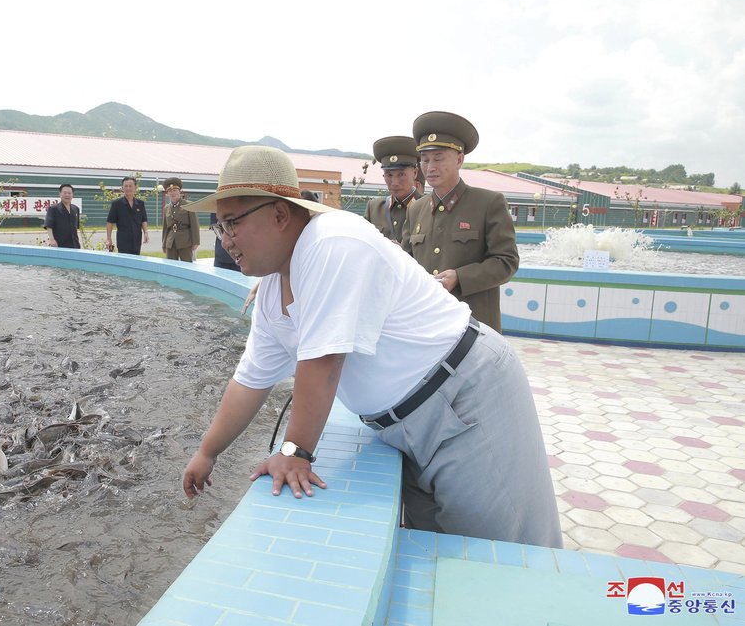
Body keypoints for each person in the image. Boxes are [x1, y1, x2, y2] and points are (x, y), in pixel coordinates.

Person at [181, 145, 560, 548]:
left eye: (232, 223)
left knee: (503, 554)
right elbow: (250, 381)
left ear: (279, 214)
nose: (225, 240)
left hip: (466, 396)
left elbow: (324, 363)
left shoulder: (332, 242)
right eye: (219, 226)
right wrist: (207, 453)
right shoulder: (274, 289)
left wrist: (294, 453)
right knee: (436, 557)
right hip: (404, 423)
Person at [402, 112, 519, 332]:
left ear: (459, 159)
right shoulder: (417, 208)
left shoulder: (488, 202)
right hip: (427, 324)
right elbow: (408, 263)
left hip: (473, 327)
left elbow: (507, 262)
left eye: (438, 158)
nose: (430, 167)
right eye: (425, 160)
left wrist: (460, 277)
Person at [365, 136, 423, 243]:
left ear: (415, 173)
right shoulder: (374, 208)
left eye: (401, 174)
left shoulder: (428, 208)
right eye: (389, 175)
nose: (395, 183)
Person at [105, 176, 149, 254]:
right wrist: (109, 239)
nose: (128, 188)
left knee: (135, 262)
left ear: (135, 187)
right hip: (123, 241)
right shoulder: (116, 204)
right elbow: (110, 222)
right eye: (126, 186)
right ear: (122, 188)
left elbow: (143, 219)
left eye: (130, 186)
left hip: (136, 240)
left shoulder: (140, 204)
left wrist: (146, 232)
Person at [160, 177, 200, 262]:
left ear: (180, 191)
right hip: (171, 242)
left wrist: (196, 241)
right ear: (167, 193)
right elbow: (165, 228)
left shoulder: (188, 205)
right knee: (171, 266)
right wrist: (164, 244)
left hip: (185, 241)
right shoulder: (167, 208)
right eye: (170, 191)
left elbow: (194, 224)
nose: (172, 193)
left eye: (174, 190)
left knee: (187, 265)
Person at [44, 183, 82, 248]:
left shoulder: (76, 209)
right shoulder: (53, 208)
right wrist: (52, 240)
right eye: (64, 193)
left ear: (72, 194)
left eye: (69, 193)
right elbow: (49, 226)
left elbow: (76, 228)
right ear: (60, 194)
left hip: (75, 245)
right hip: (59, 244)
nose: (67, 195)